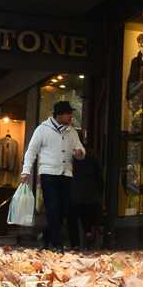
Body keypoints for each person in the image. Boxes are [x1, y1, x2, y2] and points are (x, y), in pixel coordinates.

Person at [22, 101, 86, 250]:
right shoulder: (43, 130)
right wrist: (26, 171)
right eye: (68, 113)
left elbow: (80, 150)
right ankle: (56, 244)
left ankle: (47, 237)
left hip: (66, 174)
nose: (71, 116)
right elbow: (31, 151)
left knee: (64, 209)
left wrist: (80, 153)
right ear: (59, 115)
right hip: (49, 174)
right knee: (53, 207)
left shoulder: (72, 132)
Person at [69, 131, 105, 250]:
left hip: (74, 192)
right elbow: (99, 174)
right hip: (90, 193)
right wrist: (100, 190)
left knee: (73, 218)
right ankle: (88, 233)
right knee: (88, 217)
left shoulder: (70, 155)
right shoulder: (91, 153)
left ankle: (75, 244)